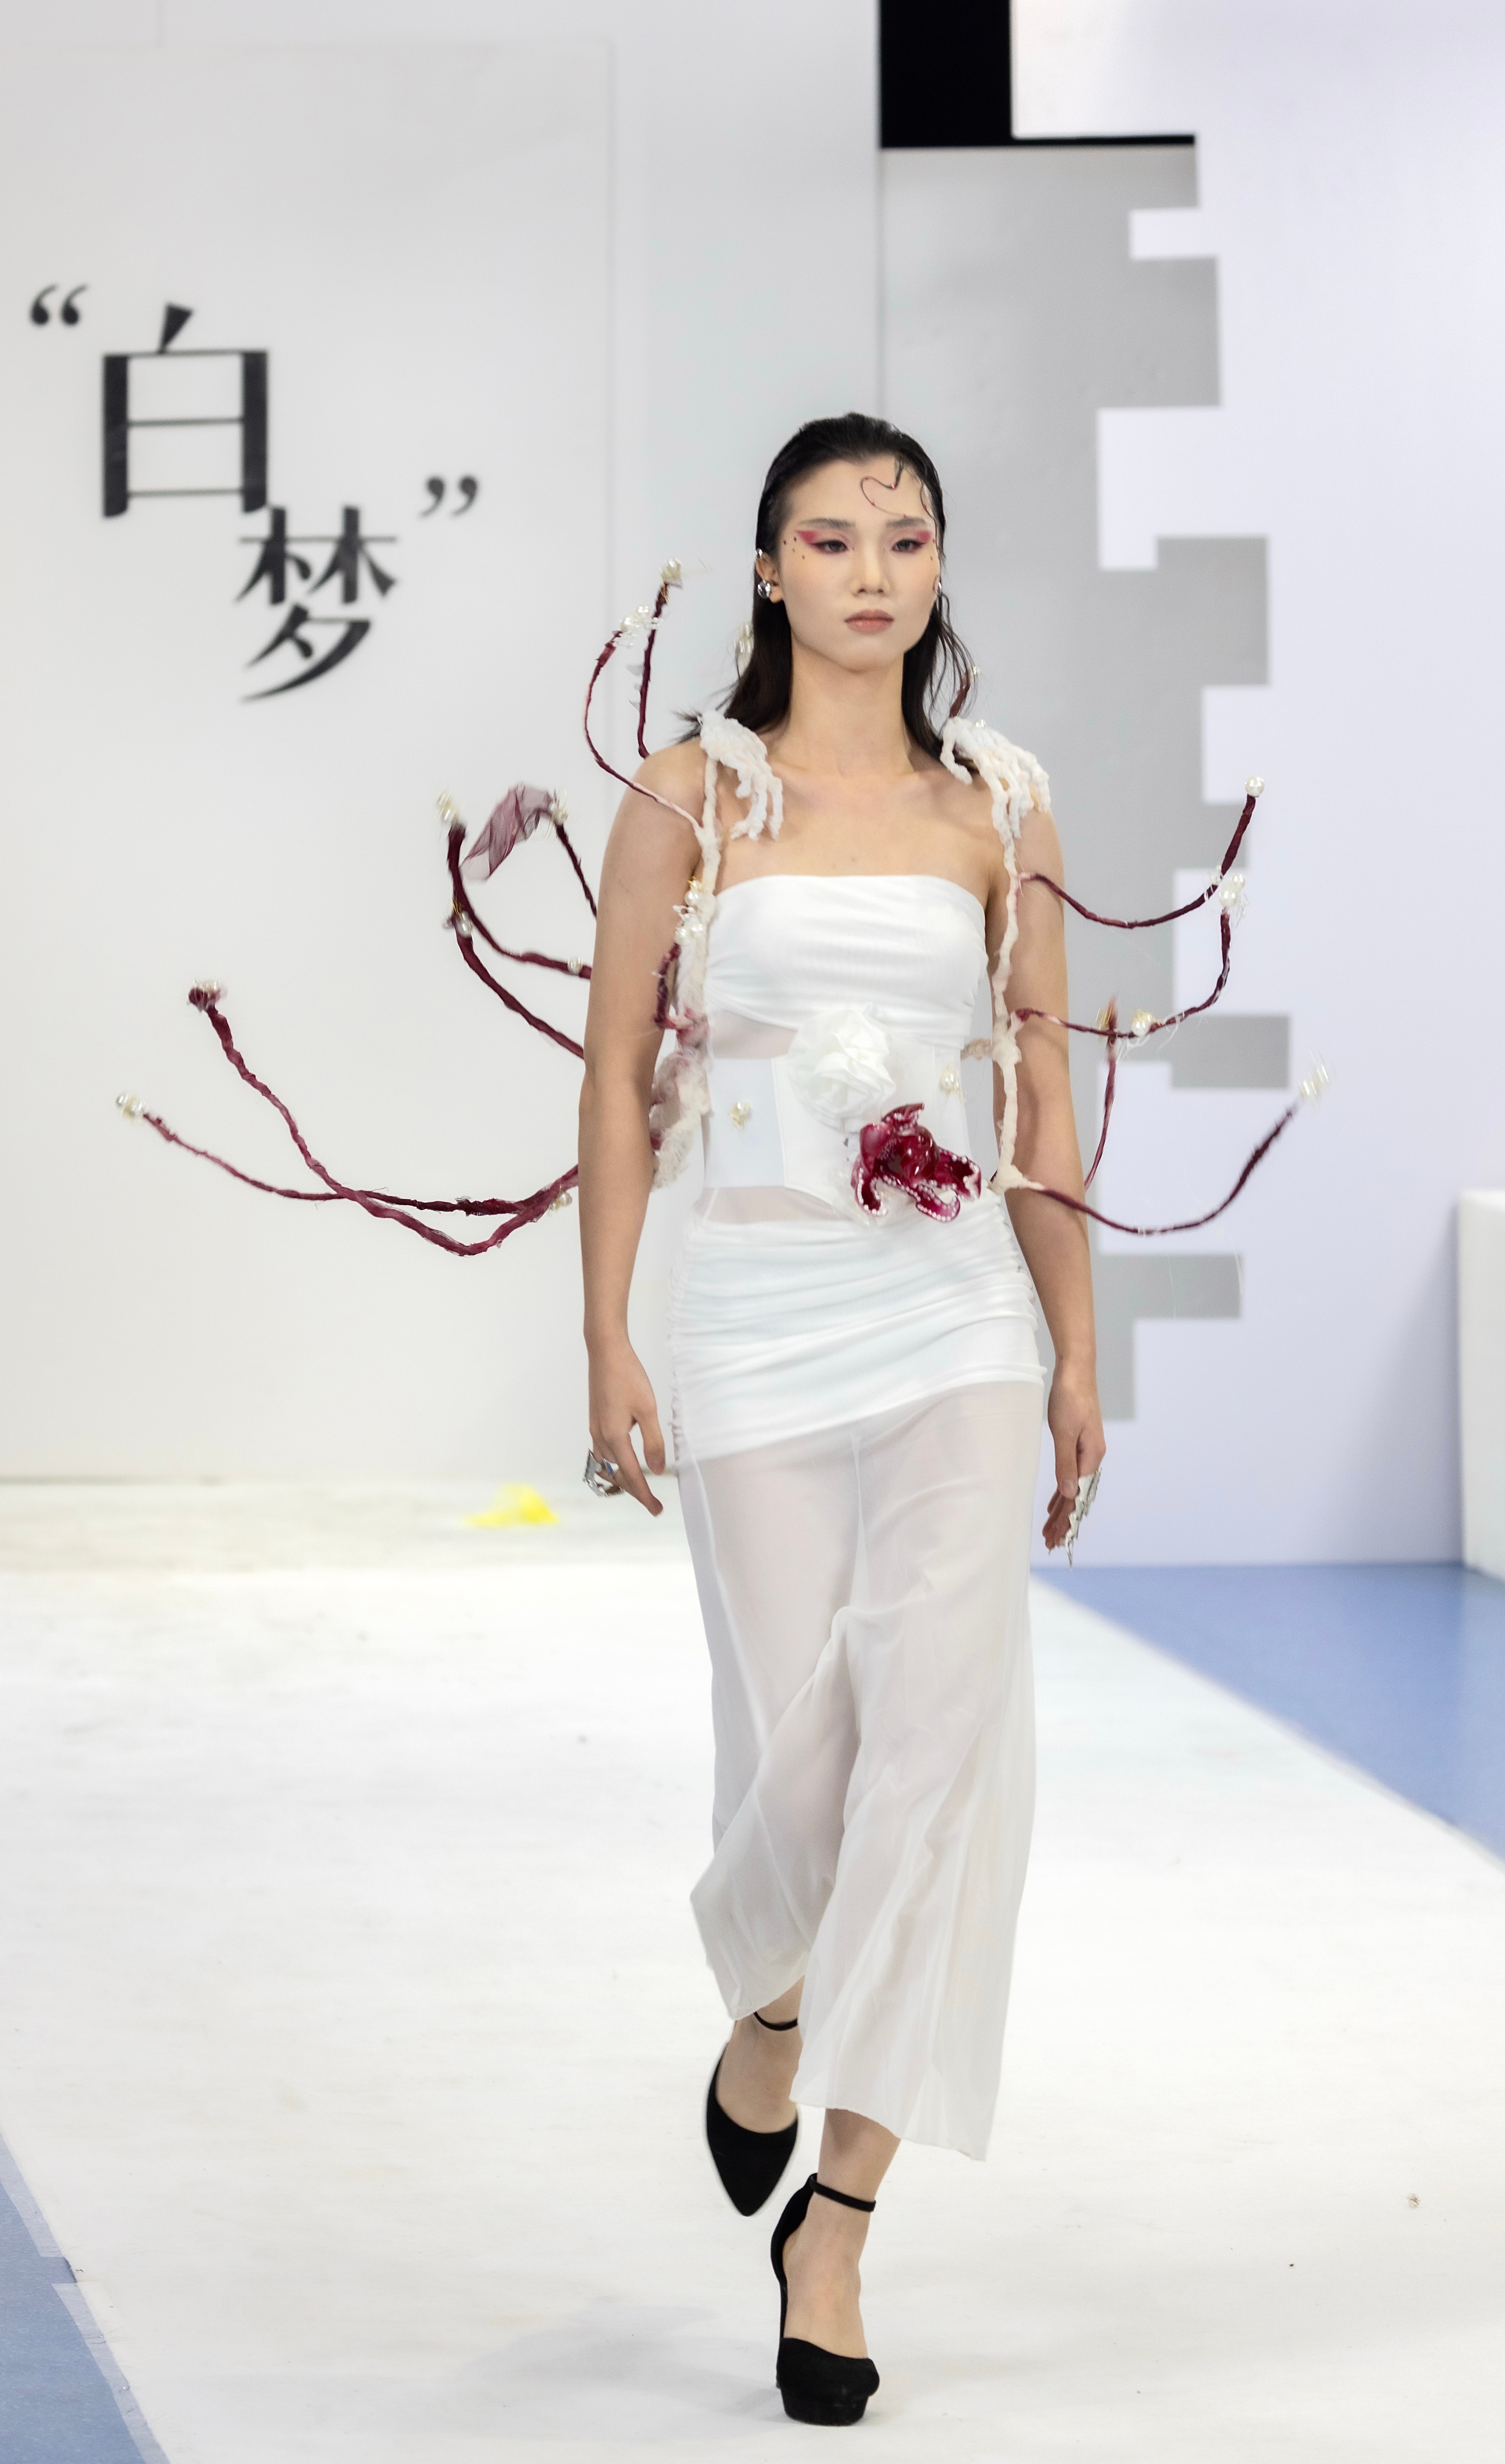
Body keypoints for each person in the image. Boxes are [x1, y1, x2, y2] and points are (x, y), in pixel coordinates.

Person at [577, 412, 1104, 2427]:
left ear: (941, 568)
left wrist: (1074, 1350)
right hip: (756, 1315)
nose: (872, 571)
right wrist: (610, 1337)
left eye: (906, 537)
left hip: (953, 1313)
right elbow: (617, 1081)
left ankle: (843, 2227)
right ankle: (773, 2010)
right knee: (803, 1766)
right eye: (831, 537)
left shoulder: (1005, 804)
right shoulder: (693, 796)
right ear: (769, 568)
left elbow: (1043, 1103)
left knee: (939, 1752)